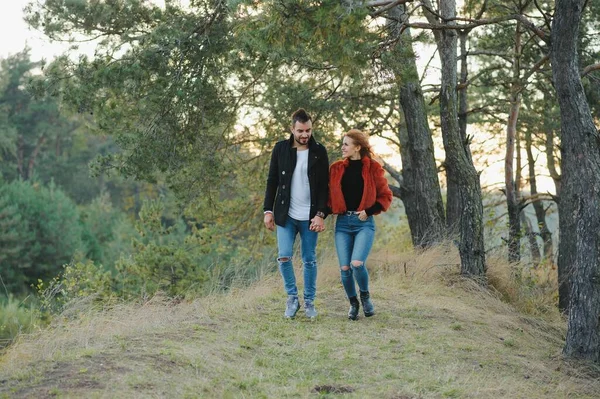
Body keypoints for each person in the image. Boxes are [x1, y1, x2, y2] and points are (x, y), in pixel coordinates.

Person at [263, 108, 329, 319]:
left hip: (310, 215)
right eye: (300, 130)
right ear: (292, 129)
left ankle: (309, 301)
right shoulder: (280, 149)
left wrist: (320, 214)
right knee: (283, 256)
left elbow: (324, 187)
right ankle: (292, 298)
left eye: (308, 130)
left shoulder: (319, 151)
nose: (305, 135)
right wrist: (268, 210)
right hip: (286, 214)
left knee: (309, 259)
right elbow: (272, 180)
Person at [328, 129, 393, 320]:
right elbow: (328, 197)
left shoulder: (373, 168)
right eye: (343, 143)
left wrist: (368, 211)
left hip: (364, 223)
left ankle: (365, 295)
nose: (343, 147)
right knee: (345, 268)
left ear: (357, 147)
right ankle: (353, 303)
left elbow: (386, 196)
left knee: (356, 263)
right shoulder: (336, 169)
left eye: (346, 144)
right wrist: (319, 214)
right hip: (342, 223)